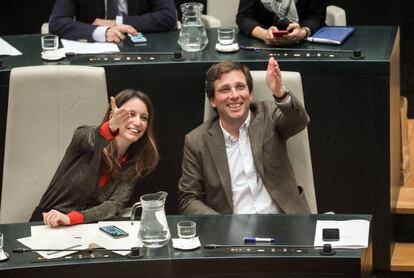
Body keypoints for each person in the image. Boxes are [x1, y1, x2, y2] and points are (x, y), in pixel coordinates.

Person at [178, 57, 311, 215]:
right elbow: (188, 199)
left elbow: (299, 121)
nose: (234, 95)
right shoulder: (197, 141)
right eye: (225, 89)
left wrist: (279, 92)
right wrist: (222, 224)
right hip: (233, 230)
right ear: (212, 100)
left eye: (240, 87)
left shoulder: (268, 115)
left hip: (285, 221)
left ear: (250, 94)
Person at [30, 89, 159, 227]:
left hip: (84, 226)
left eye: (144, 117)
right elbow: (94, 140)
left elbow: (114, 205)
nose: (138, 122)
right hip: (47, 221)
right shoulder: (83, 136)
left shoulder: (135, 160)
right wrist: (111, 127)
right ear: (113, 115)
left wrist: (71, 219)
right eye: (131, 114)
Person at [49, 0, 177, 43]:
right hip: (92, 48)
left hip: (139, 44)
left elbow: (168, 16)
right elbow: (57, 22)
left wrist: (117, 23)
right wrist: (103, 32)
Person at [236, 0, 326, 45]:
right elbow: (244, 17)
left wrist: (303, 33)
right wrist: (264, 34)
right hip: (261, 43)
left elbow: (316, 15)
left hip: (304, 42)